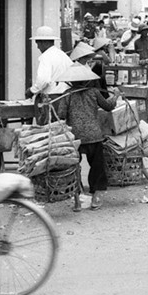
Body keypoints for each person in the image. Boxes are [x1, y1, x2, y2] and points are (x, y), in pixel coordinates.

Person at [56, 64, 119, 210]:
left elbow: (60, 116)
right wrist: (115, 95)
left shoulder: (68, 94)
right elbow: (108, 106)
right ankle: (96, 198)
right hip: (94, 136)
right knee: (97, 167)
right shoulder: (94, 92)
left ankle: (77, 200)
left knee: (74, 168)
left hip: (75, 137)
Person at [25, 26, 74, 123]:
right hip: (66, 96)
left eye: (38, 43)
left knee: (49, 129)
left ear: (45, 42)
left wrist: (31, 91)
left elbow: (43, 80)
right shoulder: (62, 55)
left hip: (52, 98)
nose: (38, 47)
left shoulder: (46, 57)